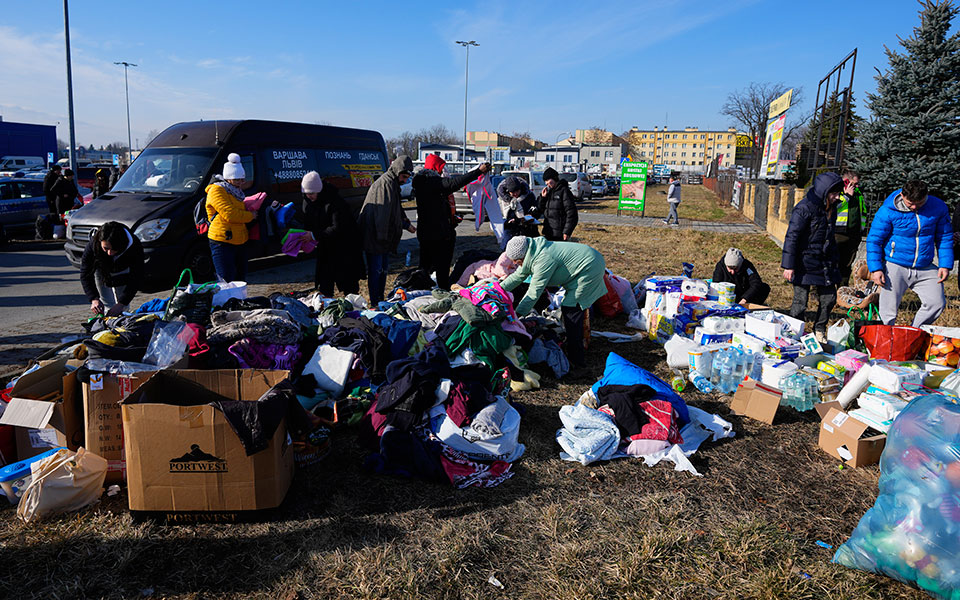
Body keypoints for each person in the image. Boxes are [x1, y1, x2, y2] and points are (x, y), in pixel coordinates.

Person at [501, 236, 606, 371]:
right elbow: (517, 276)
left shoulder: (544, 258)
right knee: (570, 310)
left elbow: (534, 293)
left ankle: (577, 361)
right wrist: (495, 289)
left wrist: (515, 316)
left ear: (523, 256)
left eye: (516, 261)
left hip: (589, 267)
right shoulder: (533, 252)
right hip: (586, 262)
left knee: (571, 310)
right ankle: (574, 343)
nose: (515, 263)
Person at [866, 179, 953, 327]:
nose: (914, 207)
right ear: (902, 195)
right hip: (895, 264)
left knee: (936, 303)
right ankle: (885, 337)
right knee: (888, 311)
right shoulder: (887, 210)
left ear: (926, 196)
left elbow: (944, 236)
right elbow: (874, 240)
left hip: (925, 265)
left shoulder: (938, 207)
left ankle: (914, 332)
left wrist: (945, 265)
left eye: (919, 203)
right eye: (910, 203)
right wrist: (876, 269)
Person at [781, 171, 844, 343]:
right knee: (800, 301)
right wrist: (788, 265)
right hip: (803, 262)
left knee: (829, 298)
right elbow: (792, 236)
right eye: (833, 193)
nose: (837, 197)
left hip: (824, 262)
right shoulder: (804, 208)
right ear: (824, 191)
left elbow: (829, 237)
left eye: (838, 193)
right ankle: (795, 332)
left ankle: (819, 329)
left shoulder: (831, 208)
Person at [412, 155, 490, 289]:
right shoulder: (430, 182)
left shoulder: (424, 183)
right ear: (435, 168)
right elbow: (454, 184)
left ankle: (424, 288)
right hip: (437, 234)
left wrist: (450, 220)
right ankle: (440, 289)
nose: (443, 172)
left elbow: (437, 207)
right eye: (441, 168)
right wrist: (478, 171)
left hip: (429, 232)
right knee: (440, 266)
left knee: (426, 265)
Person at [359, 154, 416, 304]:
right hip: (376, 236)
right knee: (376, 271)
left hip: (382, 236)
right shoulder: (386, 184)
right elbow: (382, 215)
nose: (405, 181)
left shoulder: (392, 184)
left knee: (382, 270)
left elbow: (396, 209)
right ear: (397, 172)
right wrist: (385, 237)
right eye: (403, 177)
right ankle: (375, 302)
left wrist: (405, 222)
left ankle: (380, 299)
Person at [297, 171, 364, 296]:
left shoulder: (335, 202)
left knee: (348, 285)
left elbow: (339, 227)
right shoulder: (308, 202)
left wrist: (314, 235)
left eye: (312, 193)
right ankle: (327, 304)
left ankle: (352, 305)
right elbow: (308, 222)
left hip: (344, 249)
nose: (309, 196)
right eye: (306, 193)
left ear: (319, 190)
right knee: (325, 284)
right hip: (325, 249)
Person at [205, 153, 257, 282]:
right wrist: (251, 215)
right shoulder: (216, 190)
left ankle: (238, 296)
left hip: (240, 240)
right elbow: (230, 214)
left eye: (242, 180)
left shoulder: (235, 191)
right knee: (226, 279)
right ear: (228, 178)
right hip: (222, 241)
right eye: (237, 180)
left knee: (240, 278)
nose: (240, 183)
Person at [79, 221, 144, 317]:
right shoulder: (93, 245)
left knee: (122, 307)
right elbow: (85, 273)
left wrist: (122, 303)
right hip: (101, 269)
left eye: (114, 249)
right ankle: (108, 317)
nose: (109, 253)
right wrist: (94, 298)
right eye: (106, 248)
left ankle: (123, 316)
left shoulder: (134, 246)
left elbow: (137, 276)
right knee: (106, 304)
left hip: (123, 269)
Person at [835, 168, 867, 285]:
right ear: (846, 181)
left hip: (854, 235)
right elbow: (833, 207)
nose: (857, 186)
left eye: (858, 183)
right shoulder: (837, 192)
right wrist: (847, 196)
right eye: (854, 184)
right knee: (832, 262)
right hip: (838, 233)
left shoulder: (858, 194)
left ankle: (842, 288)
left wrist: (861, 230)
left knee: (847, 264)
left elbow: (863, 212)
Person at [497, 175, 539, 248]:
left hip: (527, 230)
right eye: (512, 192)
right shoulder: (501, 200)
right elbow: (498, 217)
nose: (515, 194)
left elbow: (535, 210)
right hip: (509, 231)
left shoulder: (529, 196)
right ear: (508, 191)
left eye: (517, 191)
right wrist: (507, 222)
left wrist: (527, 217)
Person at [537, 167, 578, 241]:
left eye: (548, 180)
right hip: (548, 232)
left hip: (560, 234)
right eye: (545, 181)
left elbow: (572, 213)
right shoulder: (549, 192)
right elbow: (540, 209)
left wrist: (567, 231)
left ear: (554, 178)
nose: (546, 183)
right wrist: (543, 197)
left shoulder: (564, 191)